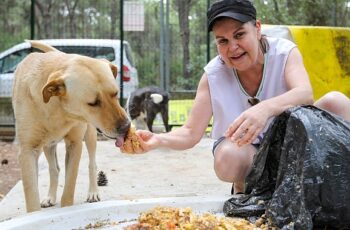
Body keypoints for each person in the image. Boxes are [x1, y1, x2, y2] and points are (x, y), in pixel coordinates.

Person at [120, 0, 350, 195]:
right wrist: (158, 140)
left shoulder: (284, 52)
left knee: (336, 102)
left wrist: (264, 109)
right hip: (249, 156)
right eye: (223, 40)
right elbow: (190, 132)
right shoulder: (213, 75)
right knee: (227, 157)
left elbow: (305, 94)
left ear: (257, 29)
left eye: (239, 35)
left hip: (294, 147)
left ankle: (335, 187)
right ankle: (246, 191)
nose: (233, 47)